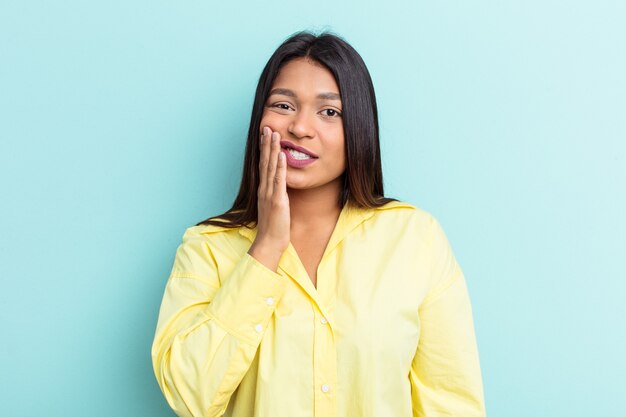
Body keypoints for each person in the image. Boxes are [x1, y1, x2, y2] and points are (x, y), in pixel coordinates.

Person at [151, 30, 486, 417]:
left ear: (358, 128)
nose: (300, 128)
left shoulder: (414, 239)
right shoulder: (206, 247)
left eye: (329, 112)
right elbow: (190, 395)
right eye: (283, 105)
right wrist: (265, 248)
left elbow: (452, 403)